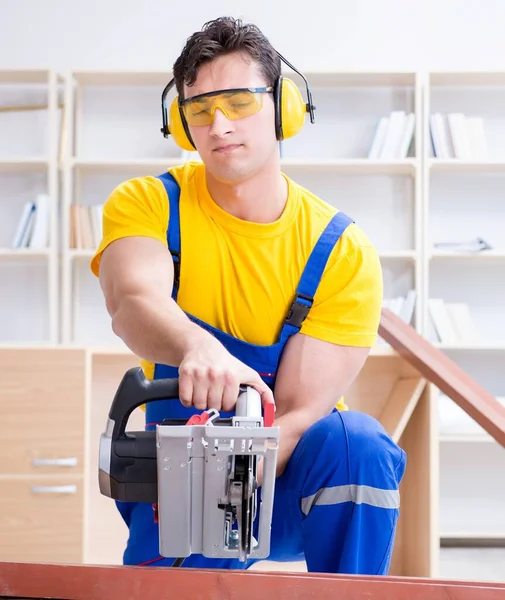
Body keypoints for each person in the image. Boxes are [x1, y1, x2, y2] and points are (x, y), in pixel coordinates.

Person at [90, 16, 406, 575]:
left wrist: (229, 469)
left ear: (283, 107)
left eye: (238, 102)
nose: (218, 125)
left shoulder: (339, 249)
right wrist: (197, 347)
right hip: (180, 483)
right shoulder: (149, 204)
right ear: (182, 124)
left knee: (358, 443)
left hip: (288, 481)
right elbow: (131, 301)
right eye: (200, 110)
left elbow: (304, 411)